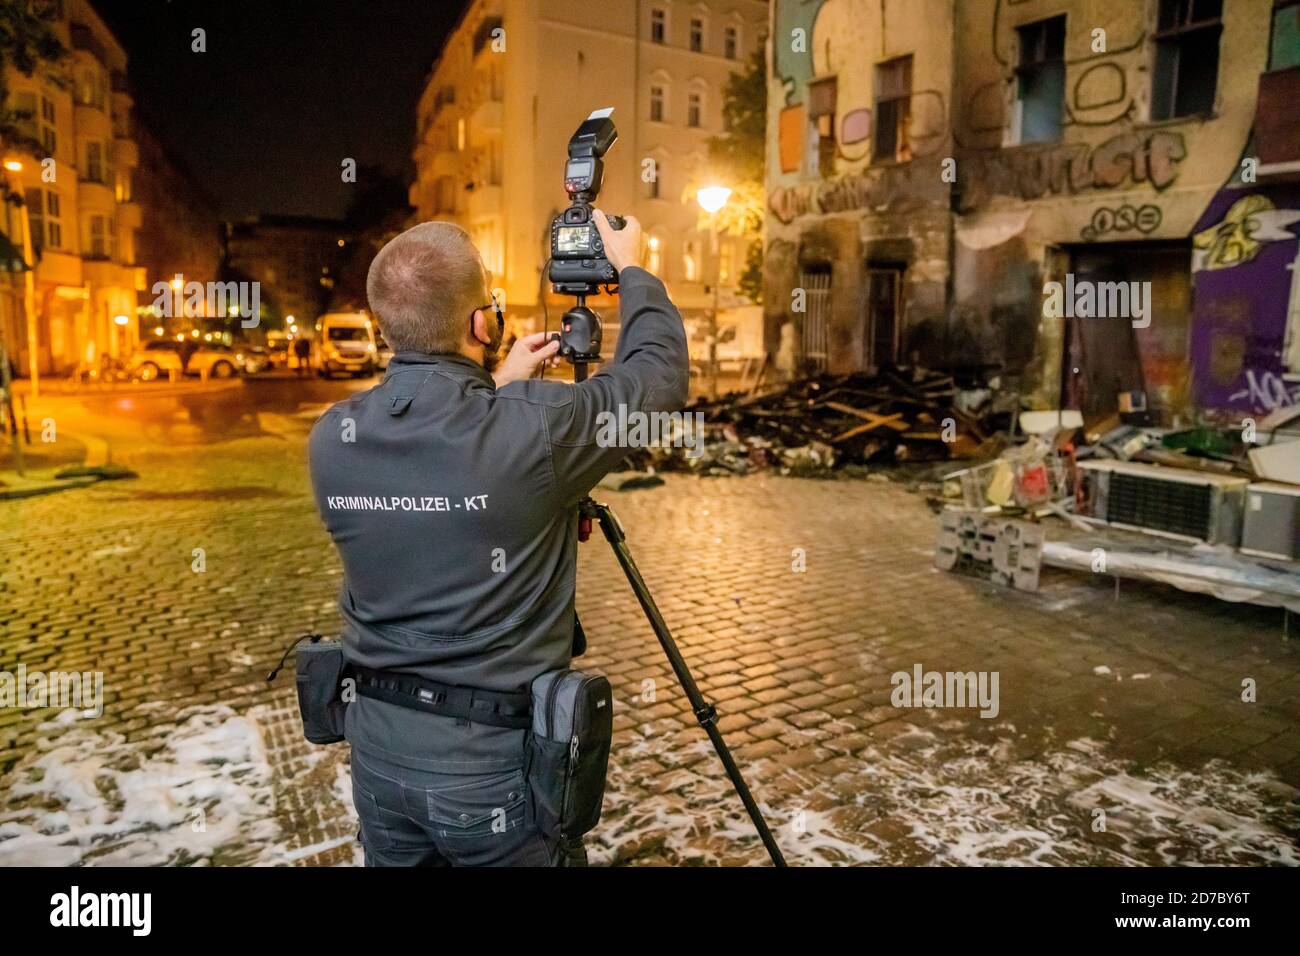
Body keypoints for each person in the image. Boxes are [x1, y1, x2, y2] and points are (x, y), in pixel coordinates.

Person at [308, 213, 688, 866]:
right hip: (491, 773)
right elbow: (658, 381)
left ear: (385, 324)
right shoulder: (533, 432)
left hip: (379, 760)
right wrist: (633, 267)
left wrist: (494, 386)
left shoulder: (332, 438)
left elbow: (441, 469)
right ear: (484, 324)